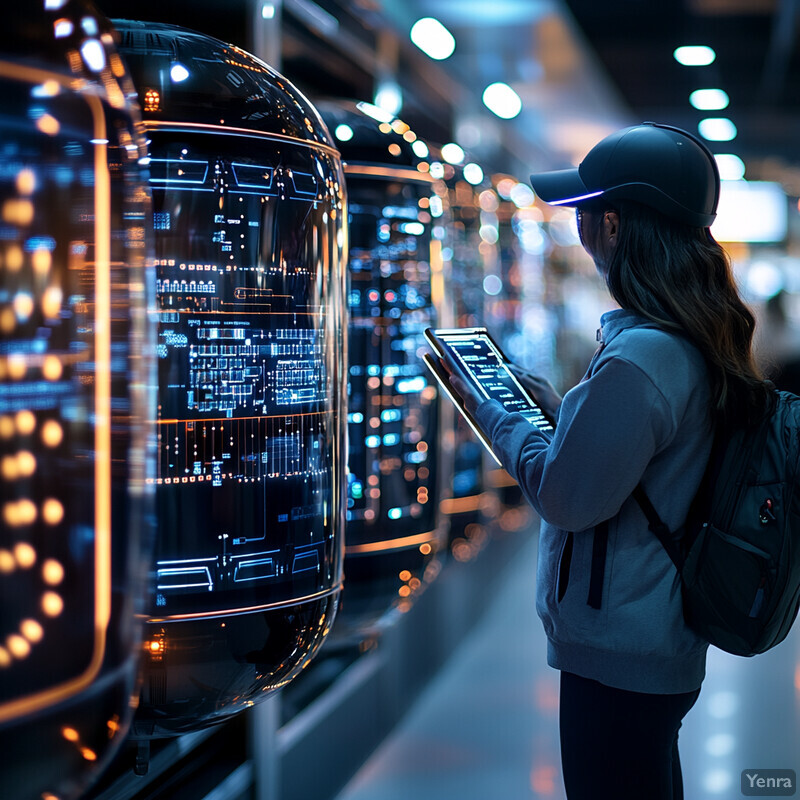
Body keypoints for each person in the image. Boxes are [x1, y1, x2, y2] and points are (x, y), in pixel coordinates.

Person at [440, 122, 771, 800]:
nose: (580, 230)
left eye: (586, 214)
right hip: (656, 637)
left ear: (615, 225)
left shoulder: (641, 358)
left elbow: (568, 496)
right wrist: (567, 413)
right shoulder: (688, 339)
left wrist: (490, 410)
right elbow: (653, 460)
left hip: (620, 652)